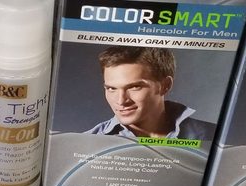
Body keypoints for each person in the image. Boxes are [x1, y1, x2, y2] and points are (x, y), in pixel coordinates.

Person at [86, 46, 215, 140]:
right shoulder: (86, 143)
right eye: (111, 88)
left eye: (134, 87)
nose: (121, 101)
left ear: (165, 85)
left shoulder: (212, 136)